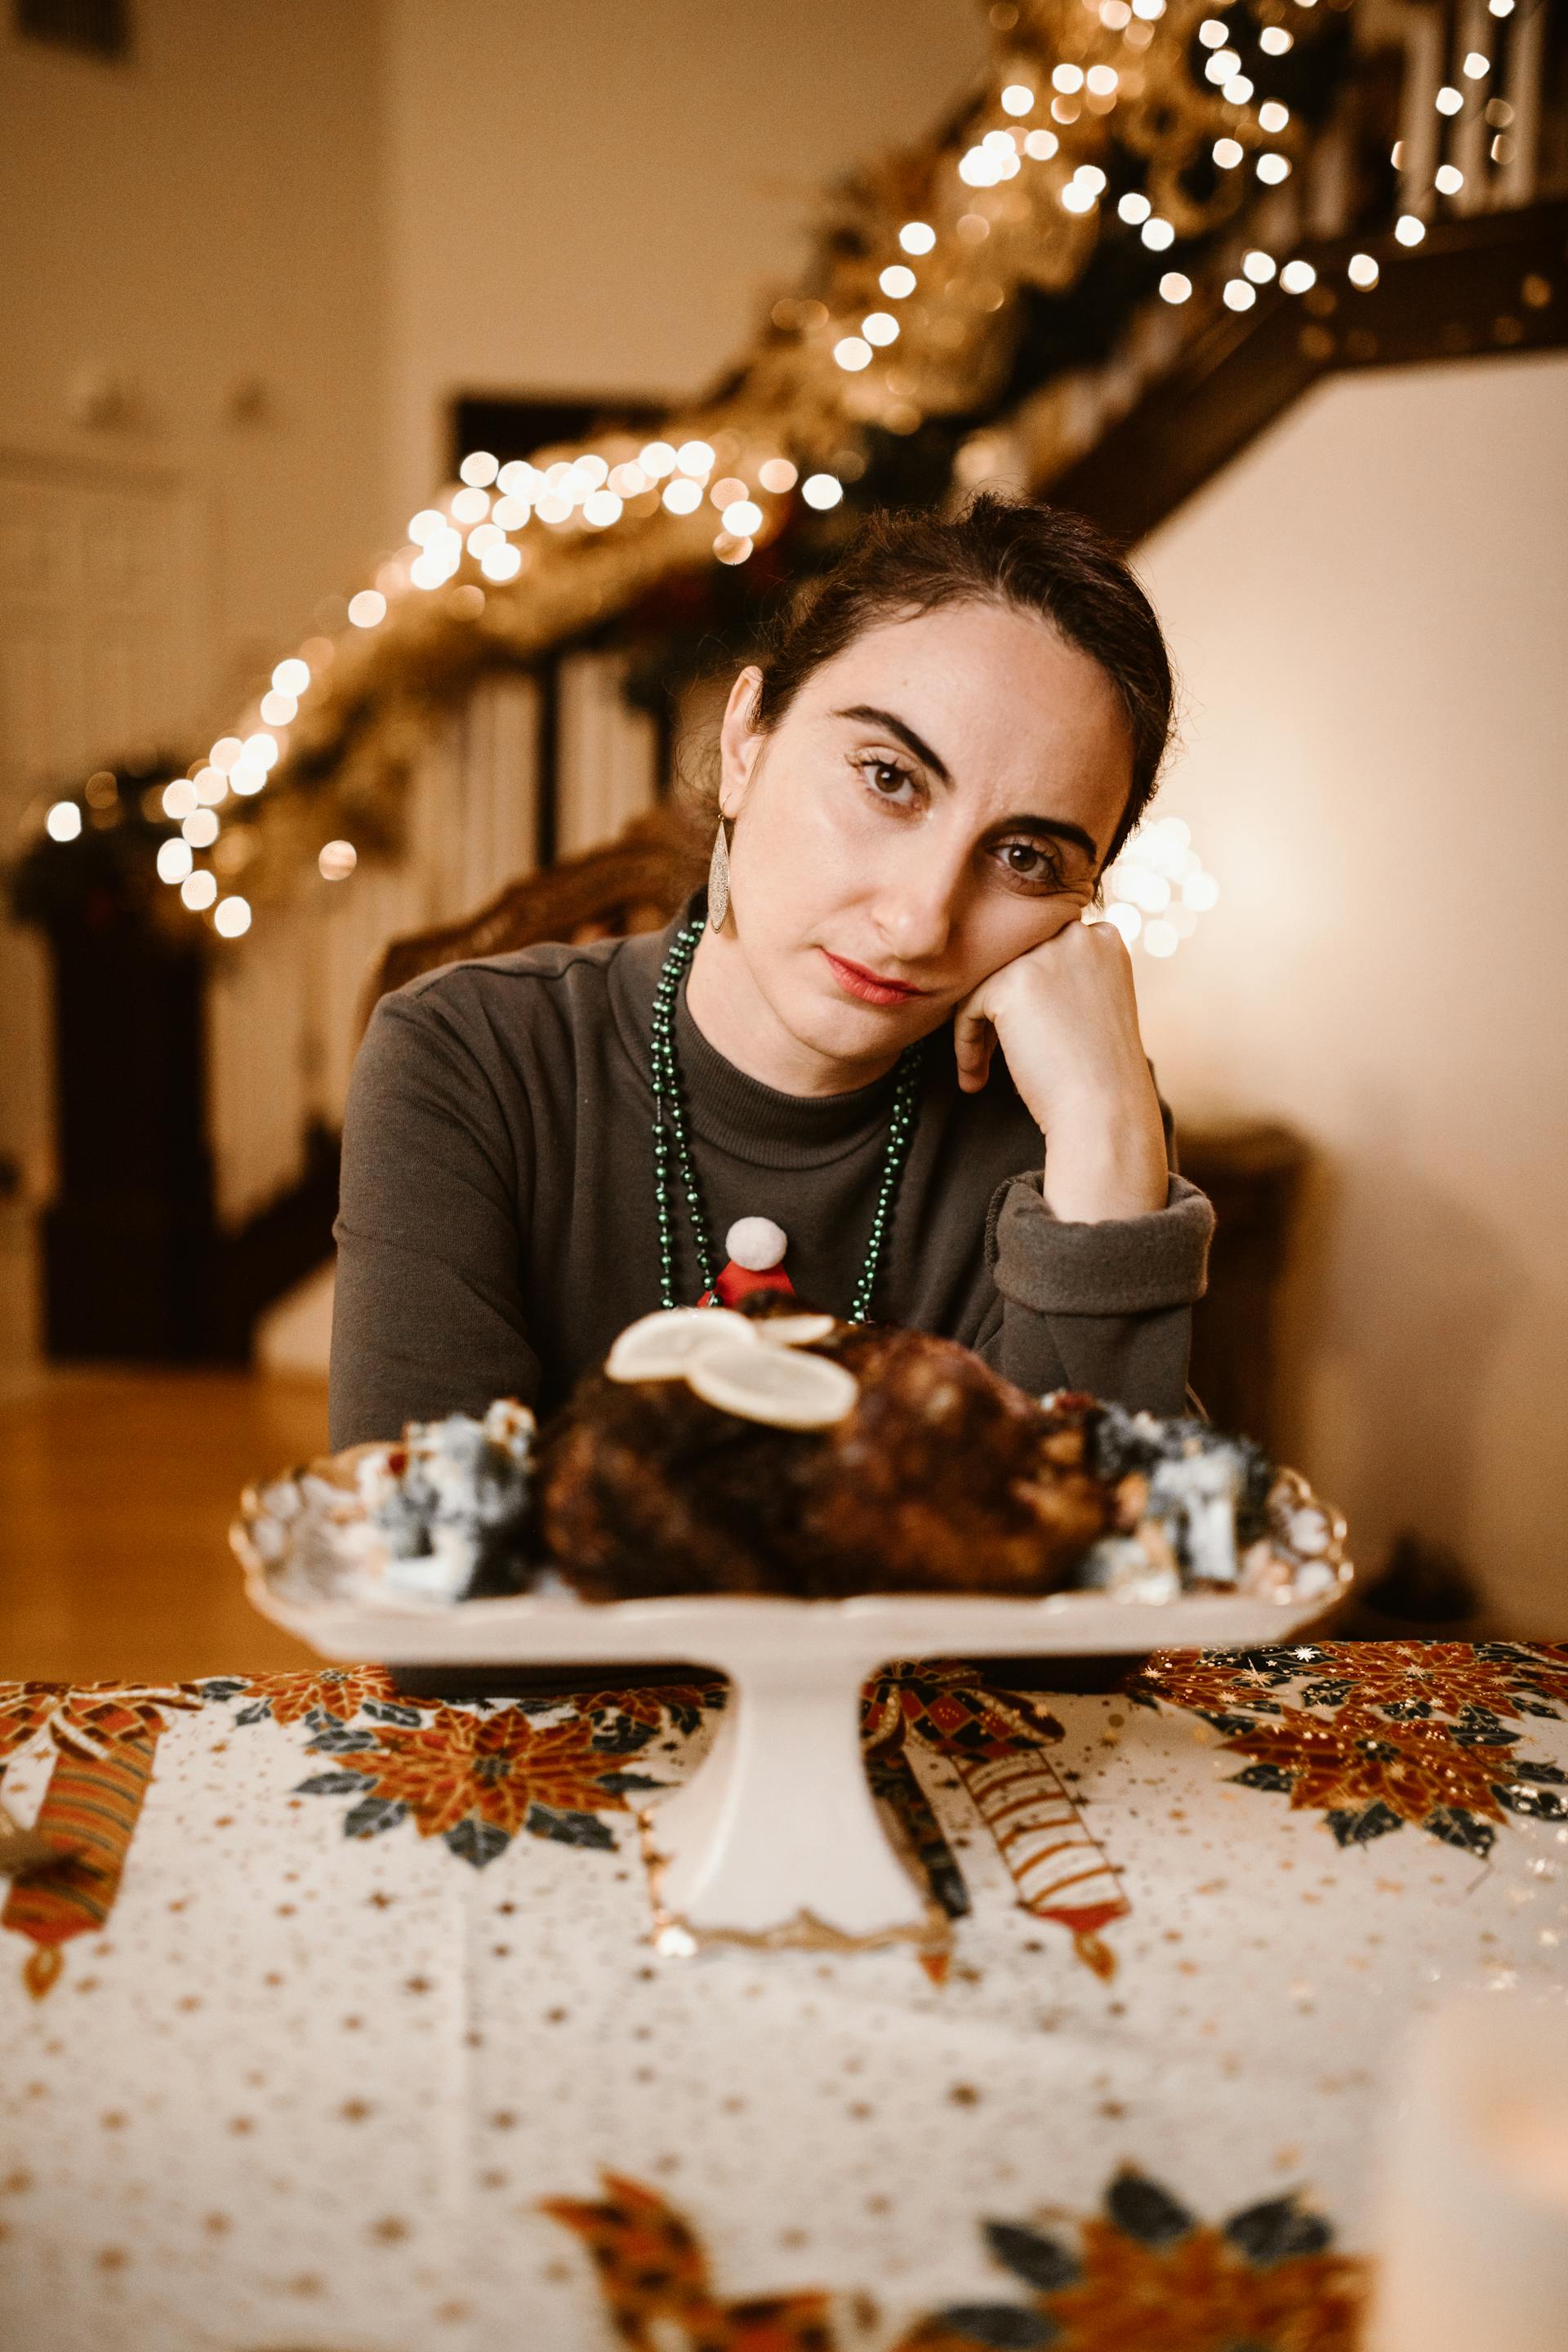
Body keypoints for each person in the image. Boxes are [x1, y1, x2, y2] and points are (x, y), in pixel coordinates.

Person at [329, 491, 1214, 1450]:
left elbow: (1105, 1564)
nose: (918, 921)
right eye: (888, 778)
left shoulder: (1072, 1134)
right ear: (748, 739)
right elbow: (420, 1555)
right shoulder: (471, 1058)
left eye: (1027, 859)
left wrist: (1107, 1128)